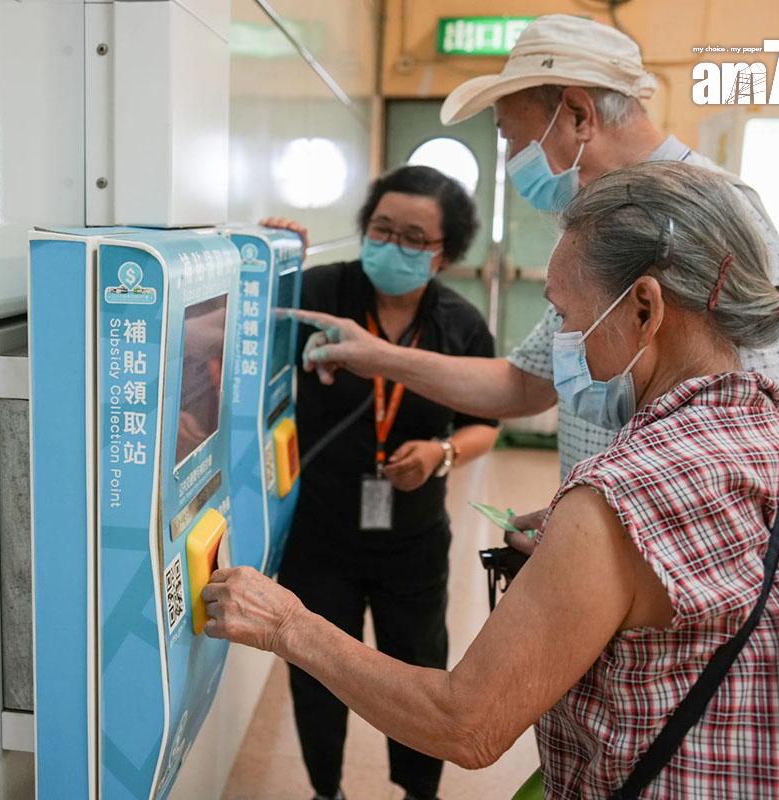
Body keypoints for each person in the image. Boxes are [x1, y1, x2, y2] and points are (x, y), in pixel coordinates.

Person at [204, 161, 779, 797]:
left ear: (645, 308)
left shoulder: (621, 496)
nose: (565, 343)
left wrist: (289, 625)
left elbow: (466, 724)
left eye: (566, 315)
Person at [292, 15, 779, 535]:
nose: (514, 160)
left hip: (685, 558)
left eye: (514, 139)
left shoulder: (718, 214)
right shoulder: (597, 223)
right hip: (602, 531)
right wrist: (378, 355)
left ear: (578, 113)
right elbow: (527, 384)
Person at [262, 165, 500, 800]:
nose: (392, 246)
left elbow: (486, 424)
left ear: (445, 253)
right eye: (381, 229)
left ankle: (418, 792)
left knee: (419, 670)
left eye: (414, 238)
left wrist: (441, 452)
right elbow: (241, 334)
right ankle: (326, 791)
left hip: (413, 538)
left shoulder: (461, 324)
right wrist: (269, 260)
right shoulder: (321, 292)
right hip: (319, 532)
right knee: (315, 668)